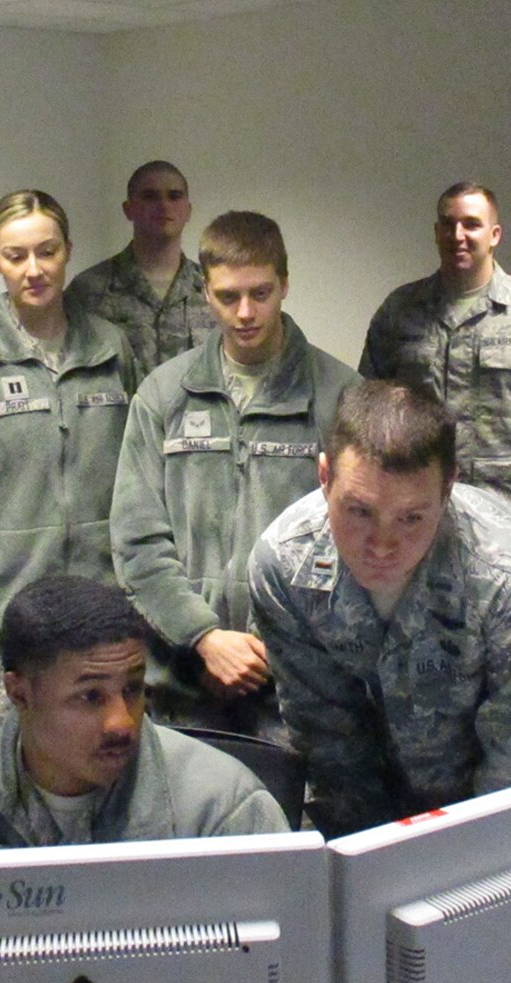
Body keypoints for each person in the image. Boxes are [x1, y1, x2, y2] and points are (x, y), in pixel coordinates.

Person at [248, 380, 511, 838]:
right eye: (359, 512)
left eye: (411, 518)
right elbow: (332, 753)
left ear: (449, 486)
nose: (382, 545)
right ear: (324, 477)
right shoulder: (286, 565)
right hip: (385, 814)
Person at [111, 211, 357, 743]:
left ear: (284, 284)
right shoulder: (164, 395)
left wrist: (270, 648)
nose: (245, 313)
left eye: (260, 293)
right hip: (182, 685)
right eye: (227, 296)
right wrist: (204, 638)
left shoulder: (339, 396)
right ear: (205, 291)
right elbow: (137, 541)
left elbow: (356, 544)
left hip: (294, 691)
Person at [0, 575, 288, 855]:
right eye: (90, 697)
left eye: (132, 690)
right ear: (19, 693)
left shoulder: (223, 807)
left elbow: (292, 956)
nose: (122, 722)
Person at [0, 190, 135, 749]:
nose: (33, 270)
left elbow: (140, 486)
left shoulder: (111, 348)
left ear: (68, 251)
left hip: (101, 631)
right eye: (15, 256)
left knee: (98, 784)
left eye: (47, 251)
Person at [358, 181, 511, 507]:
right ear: (436, 233)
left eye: (472, 224)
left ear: (495, 235)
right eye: (448, 224)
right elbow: (368, 411)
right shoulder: (400, 310)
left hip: (507, 507)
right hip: (414, 505)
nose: (458, 235)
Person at [68, 160, 220, 387]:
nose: (164, 205)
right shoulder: (88, 291)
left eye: (174, 196)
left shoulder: (214, 289)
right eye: (150, 196)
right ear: (128, 209)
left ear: (188, 210)